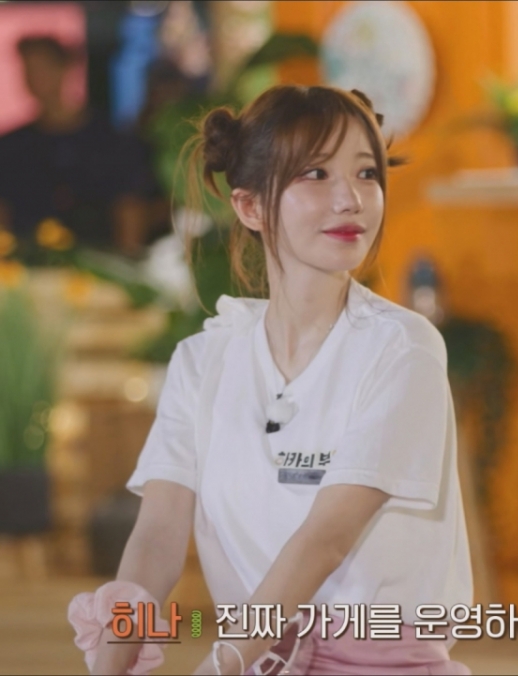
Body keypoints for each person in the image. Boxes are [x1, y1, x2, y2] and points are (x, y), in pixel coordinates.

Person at [67, 85, 473, 675]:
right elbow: (157, 538)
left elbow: (325, 539)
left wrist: (222, 665)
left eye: (366, 173)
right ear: (250, 207)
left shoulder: (402, 349)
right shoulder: (202, 361)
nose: (351, 199)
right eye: (316, 174)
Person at [0, 36, 156, 256]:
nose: (36, 77)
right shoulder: (12, 146)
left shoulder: (109, 139)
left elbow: (130, 204)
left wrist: (127, 260)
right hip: (31, 263)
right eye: (30, 69)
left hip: (99, 259)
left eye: (43, 67)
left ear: (64, 68)